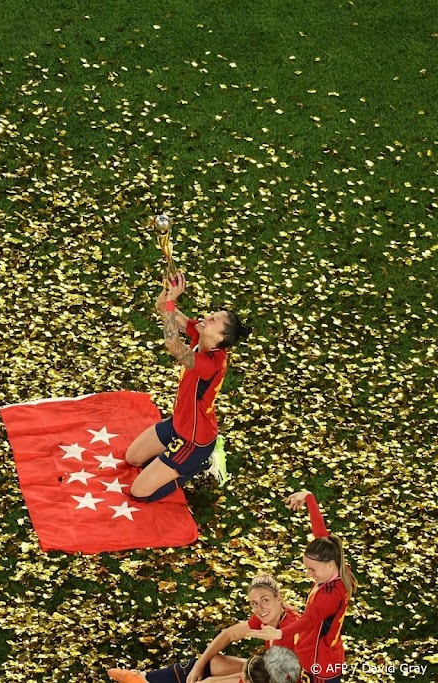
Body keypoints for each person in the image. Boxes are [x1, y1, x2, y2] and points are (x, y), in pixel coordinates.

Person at [125, 273, 250, 501]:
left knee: (138, 492)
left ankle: (194, 467)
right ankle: (170, 462)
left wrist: (171, 302)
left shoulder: (211, 364)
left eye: (213, 320)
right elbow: (163, 308)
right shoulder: (201, 338)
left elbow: (172, 344)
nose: (207, 317)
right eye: (211, 314)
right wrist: (169, 291)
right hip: (178, 424)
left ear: (219, 338)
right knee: (132, 458)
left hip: (193, 441)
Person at [107, 574, 301, 683]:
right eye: (254, 603)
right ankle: (146, 678)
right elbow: (229, 634)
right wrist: (200, 665)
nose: (260, 608)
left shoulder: (290, 631)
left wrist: (213, 681)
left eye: (265, 600)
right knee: (212, 662)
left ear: (279, 598)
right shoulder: (270, 616)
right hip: (266, 673)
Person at [250, 492, 356, 683]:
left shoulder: (330, 596)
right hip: (325, 651)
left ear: (328, 564)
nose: (309, 574)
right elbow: (320, 533)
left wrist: (280, 633)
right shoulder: (336, 563)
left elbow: (309, 620)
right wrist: (309, 498)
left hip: (320, 661)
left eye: (312, 569)